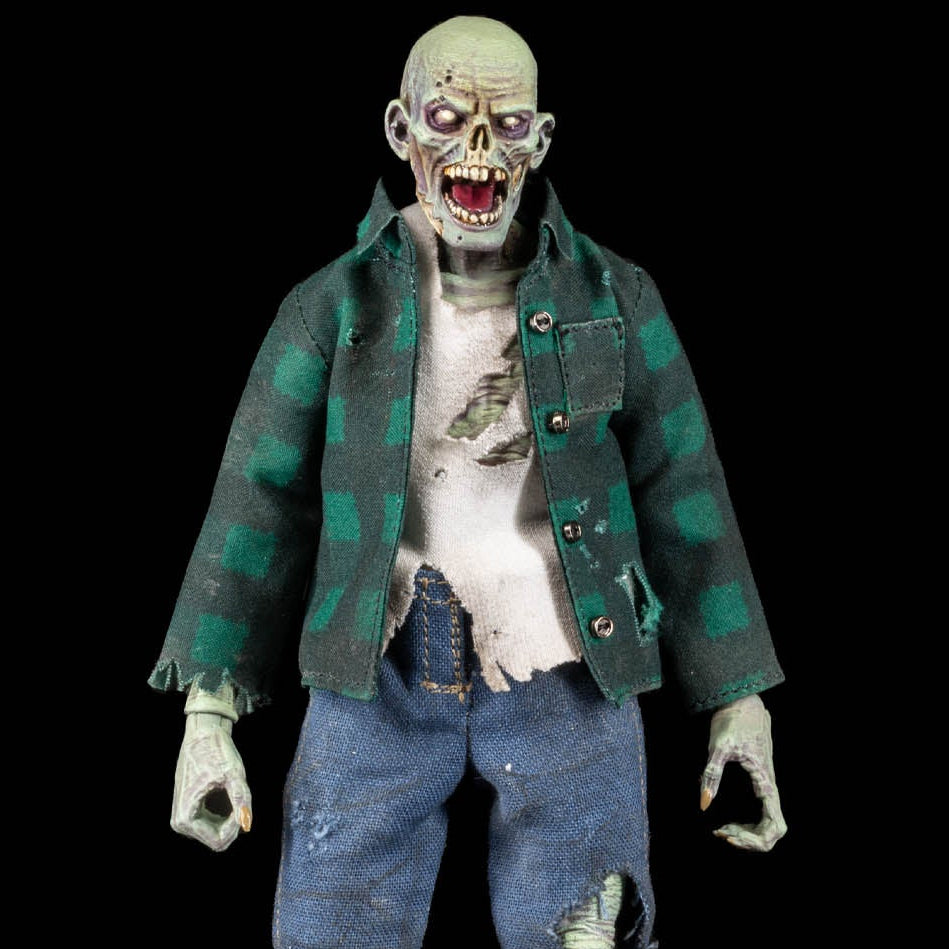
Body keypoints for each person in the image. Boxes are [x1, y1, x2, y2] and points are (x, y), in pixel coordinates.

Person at [151, 16, 786, 948]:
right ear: (400, 130)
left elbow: (683, 493)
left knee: (585, 926)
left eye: (509, 124)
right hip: (376, 668)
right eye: (448, 119)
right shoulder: (331, 308)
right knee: (332, 922)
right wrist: (207, 713)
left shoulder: (614, 295)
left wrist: (738, 697)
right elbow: (257, 503)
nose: (479, 148)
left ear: (542, 140)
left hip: (570, 665)